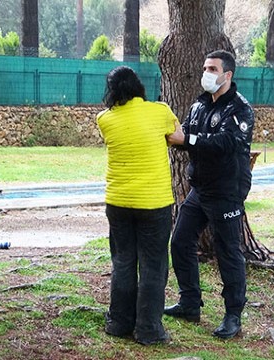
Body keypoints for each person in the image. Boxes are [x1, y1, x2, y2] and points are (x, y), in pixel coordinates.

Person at [164, 50, 254, 339]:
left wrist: (186, 139)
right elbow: (188, 135)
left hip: (227, 192)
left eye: (212, 68)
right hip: (200, 189)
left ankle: (233, 316)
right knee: (179, 242)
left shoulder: (240, 109)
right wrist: (172, 135)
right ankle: (190, 303)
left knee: (228, 251)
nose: (207, 73)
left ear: (227, 75)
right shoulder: (200, 105)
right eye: (205, 67)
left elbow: (225, 143)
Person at [96, 66, 181, 345]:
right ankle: (148, 330)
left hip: (118, 202)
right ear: (138, 87)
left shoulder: (104, 119)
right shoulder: (160, 112)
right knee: (153, 266)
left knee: (123, 261)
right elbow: (175, 136)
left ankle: (119, 323)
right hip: (153, 203)